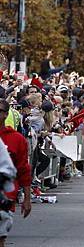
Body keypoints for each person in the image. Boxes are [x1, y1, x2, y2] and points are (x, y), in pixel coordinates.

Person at [0, 99, 32, 241]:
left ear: (6, 115)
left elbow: (23, 170)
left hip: (4, 197)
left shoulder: (16, 139)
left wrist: (27, 198)